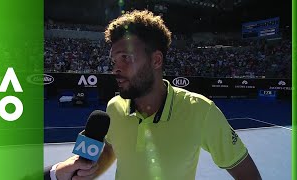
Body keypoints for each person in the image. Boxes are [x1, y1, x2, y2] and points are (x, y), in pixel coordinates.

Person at [50, 10, 261, 180]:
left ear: (156, 61)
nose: (116, 68)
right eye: (115, 60)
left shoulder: (201, 110)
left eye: (126, 57)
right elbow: (112, 149)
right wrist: (90, 171)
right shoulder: (114, 107)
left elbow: (246, 173)